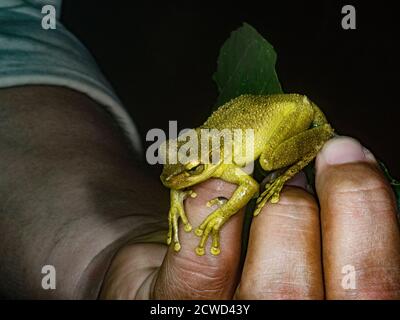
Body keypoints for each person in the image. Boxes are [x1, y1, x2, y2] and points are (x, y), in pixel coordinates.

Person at [0, 1, 399, 300]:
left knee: (268, 162)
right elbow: (179, 174)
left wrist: (222, 213)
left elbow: (245, 188)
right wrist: (105, 263)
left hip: (290, 115)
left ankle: (318, 138)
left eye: (188, 170)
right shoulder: (192, 158)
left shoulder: (221, 163)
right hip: (251, 118)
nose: (174, 176)